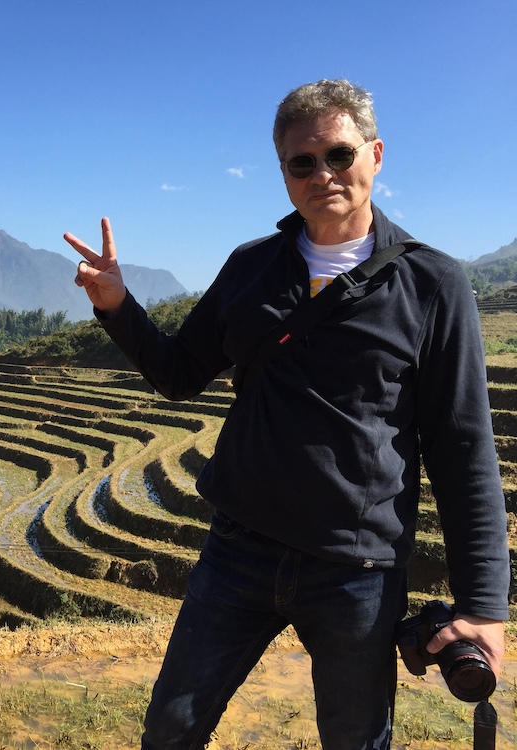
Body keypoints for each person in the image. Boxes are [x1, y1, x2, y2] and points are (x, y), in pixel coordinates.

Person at [64, 79, 509, 749]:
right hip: (238, 552)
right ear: (283, 173)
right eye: (303, 163)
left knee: (355, 741)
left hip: (356, 570)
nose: (323, 174)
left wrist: (482, 608)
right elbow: (180, 373)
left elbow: (462, 448)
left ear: (376, 155)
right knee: (169, 731)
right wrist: (117, 305)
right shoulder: (252, 267)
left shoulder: (431, 284)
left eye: (339, 154)